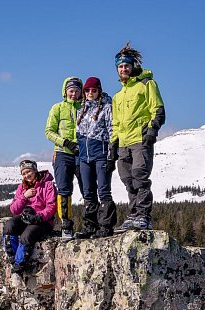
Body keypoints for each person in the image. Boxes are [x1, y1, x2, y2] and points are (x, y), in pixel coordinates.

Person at [110, 42, 165, 231]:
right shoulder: (118, 96)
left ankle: (143, 216)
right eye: (120, 66)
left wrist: (151, 131)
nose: (123, 69)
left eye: (126, 65)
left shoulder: (146, 84)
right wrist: (113, 143)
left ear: (133, 66)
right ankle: (133, 215)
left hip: (140, 139)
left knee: (140, 176)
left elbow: (157, 109)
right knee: (127, 179)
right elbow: (116, 123)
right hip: (123, 143)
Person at [74, 77, 117, 238]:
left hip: (101, 153)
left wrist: (112, 154)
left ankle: (105, 226)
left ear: (99, 90)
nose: (90, 93)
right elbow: (78, 135)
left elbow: (112, 129)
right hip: (85, 156)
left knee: (104, 190)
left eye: (94, 90)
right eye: (87, 90)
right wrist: (79, 158)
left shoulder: (107, 107)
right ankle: (90, 226)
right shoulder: (82, 110)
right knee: (88, 192)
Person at [45, 77, 83, 240]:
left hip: (82, 153)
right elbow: (49, 131)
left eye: (77, 91)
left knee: (88, 188)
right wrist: (65, 142)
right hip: (62, 153)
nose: (74, 94)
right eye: (71, 90)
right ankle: (66, 225)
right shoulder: (57, 108)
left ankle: (92, 223)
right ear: (65, 91)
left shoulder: (85, 108)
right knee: (64, 190)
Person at [3, 160, 57, 273]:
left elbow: (52, 206)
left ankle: (20, 264)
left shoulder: (47, 185)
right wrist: (24, 196)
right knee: (9, 226)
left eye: (29, 171)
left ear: (35, 170)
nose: (27, 175)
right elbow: (14, 209)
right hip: (26, 218)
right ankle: (13, 260)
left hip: (43, 221)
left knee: (26, 235)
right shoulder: (22, 187)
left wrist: (39, 217)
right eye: (24, 173)